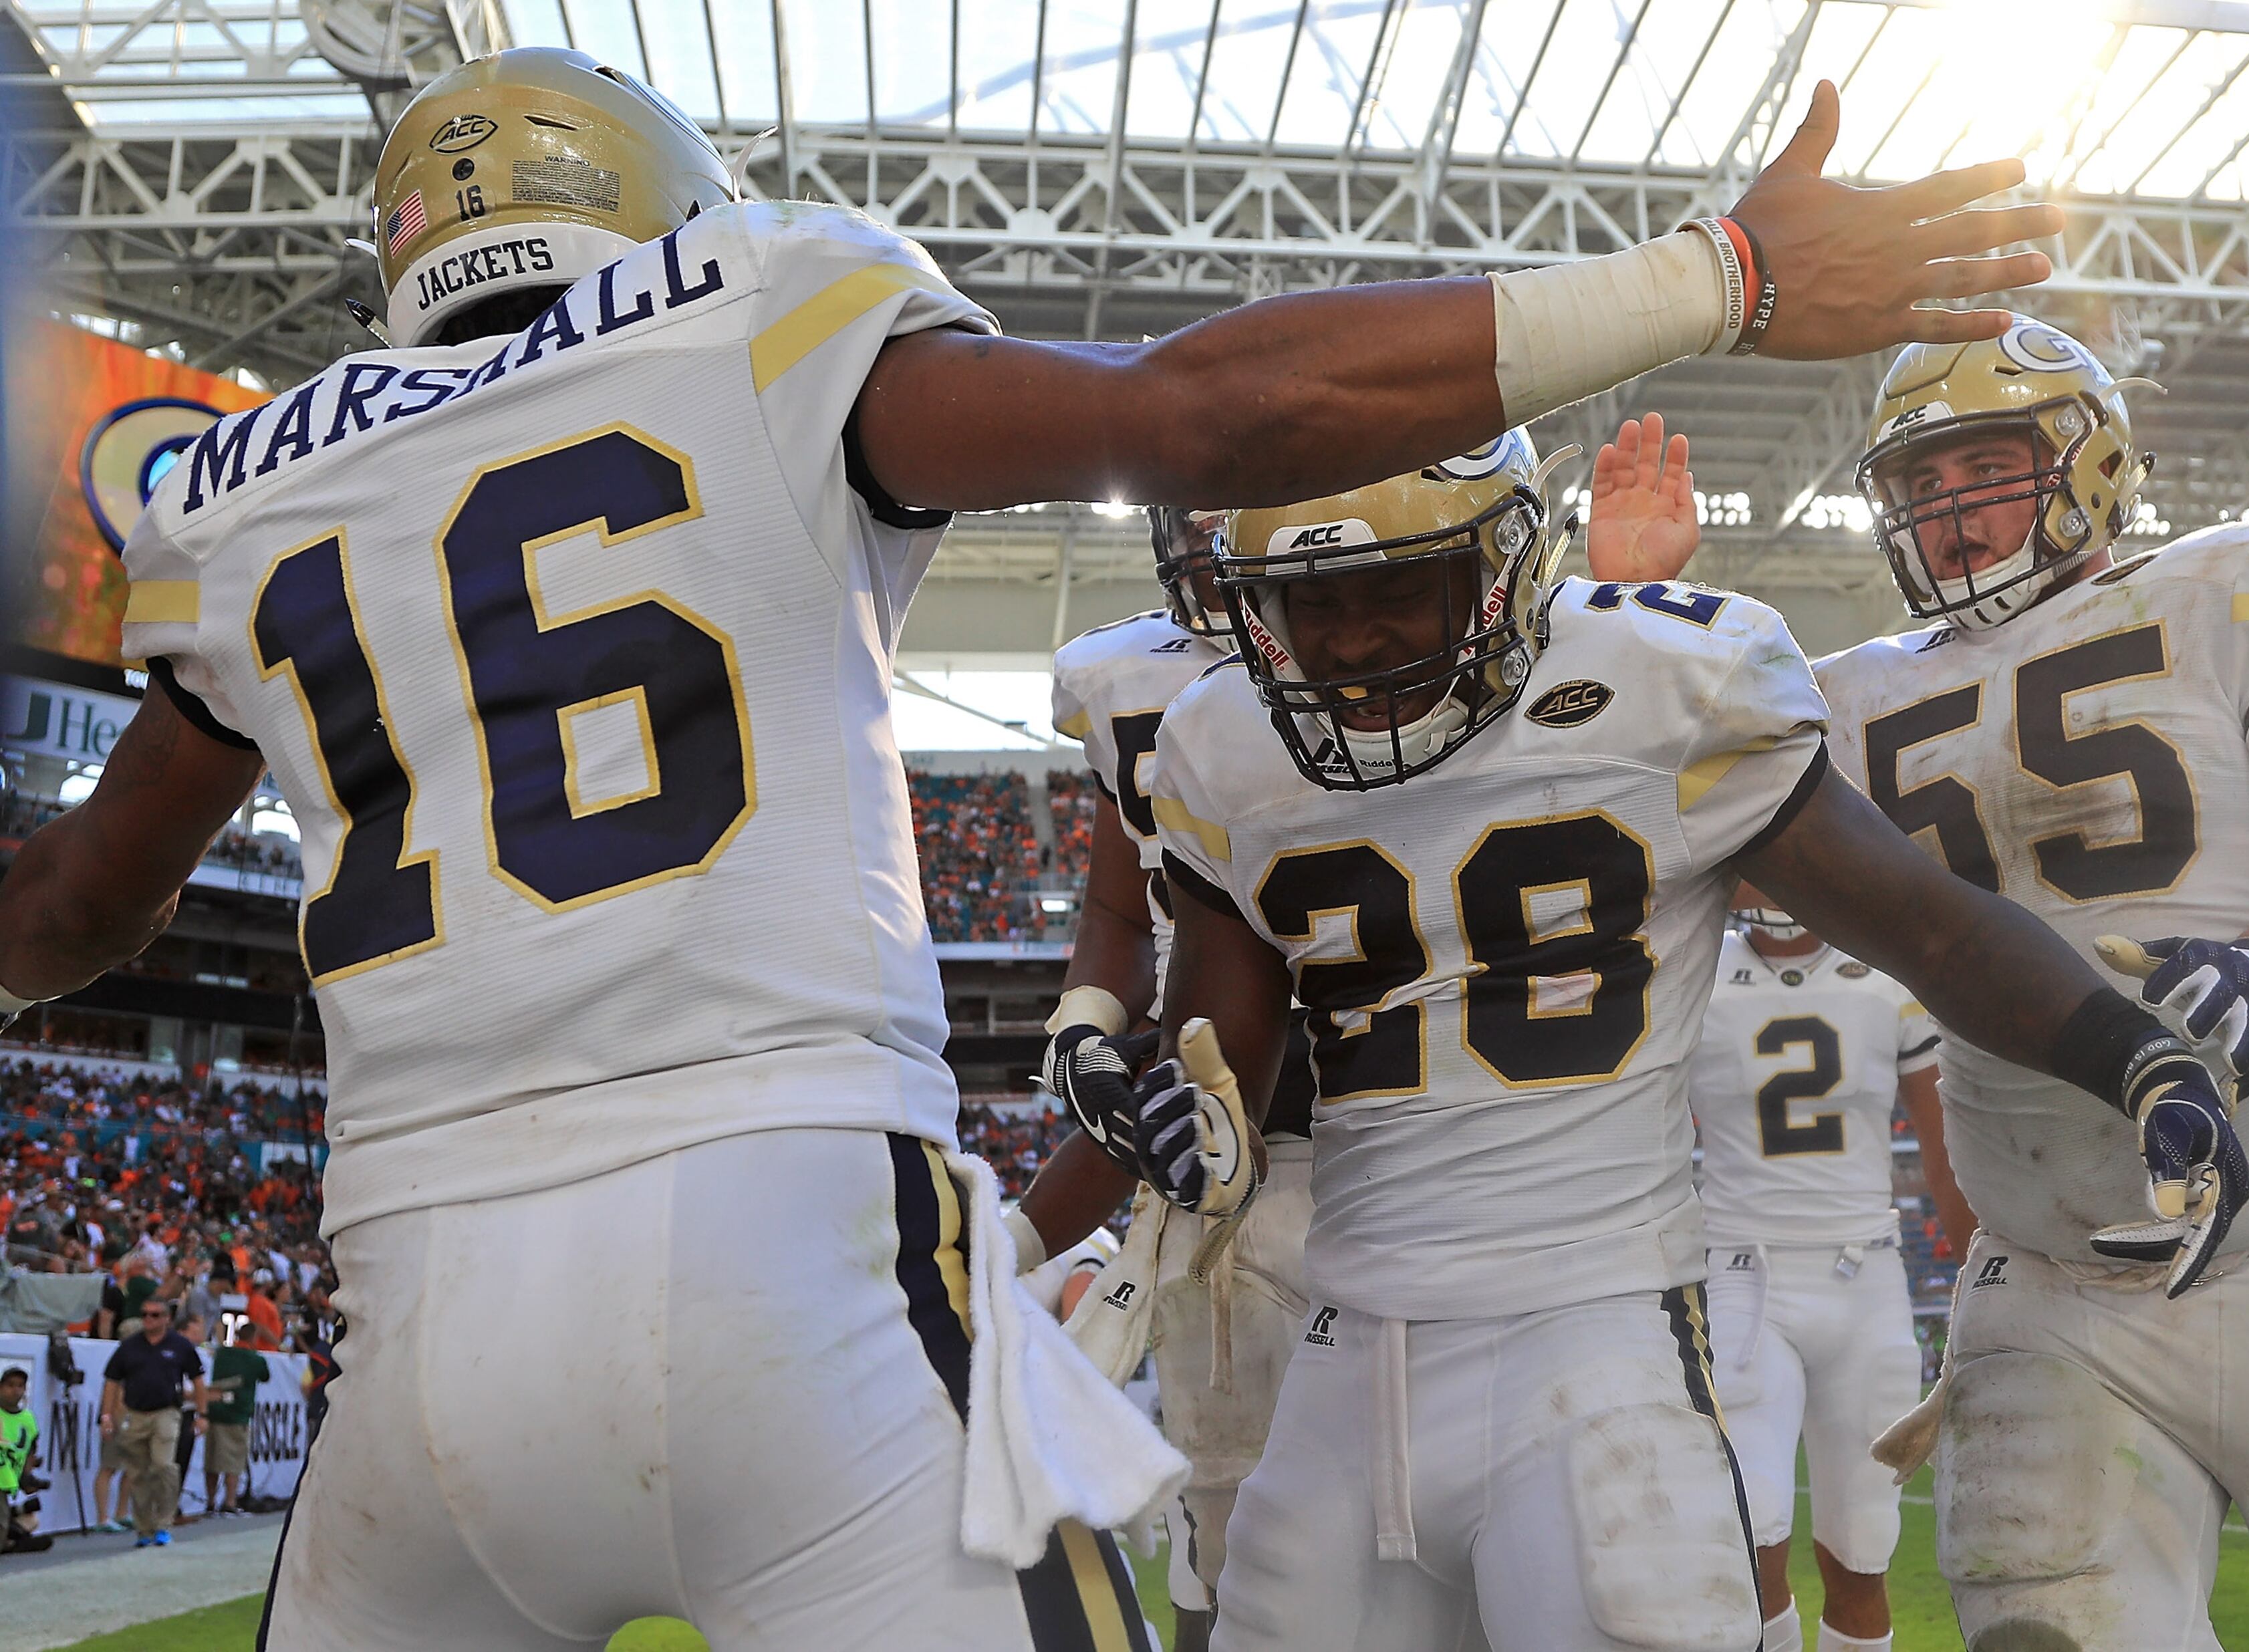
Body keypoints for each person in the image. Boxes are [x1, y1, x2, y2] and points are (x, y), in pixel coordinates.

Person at [0, 42, 2059, 1651]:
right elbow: (1194, 421)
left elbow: (79, 912)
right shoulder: (751, 306)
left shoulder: (236, 495)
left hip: (411, 1342)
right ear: (653, 204)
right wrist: (1720, 274)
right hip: (783, 1266)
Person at [1065, 424, 2246, 1652]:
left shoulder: (1663, 678)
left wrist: (2136, 1054)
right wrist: (1189, 1117)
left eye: (1394, 588)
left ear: (1507, 566)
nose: (1349, 638)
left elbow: (1930, 930)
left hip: (1594, 1342)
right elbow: (1221, 1042)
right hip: (1341, 1350)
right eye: (1308, 603)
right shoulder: (1225, 739)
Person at [1805, 317, 2249, 1645]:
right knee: (2043, 1626)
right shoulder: (1849, 697)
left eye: (1980, 467)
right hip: (2045, 1274)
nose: (1946, 512)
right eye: (1917, 486)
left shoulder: (2223, 593)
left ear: (2087, 463)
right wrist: (1641, 615)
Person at [1020, 504, 1318, 1651]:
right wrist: (1084, 1026)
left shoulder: (1365, 639)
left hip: (1368, 1120)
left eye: (1227, 503)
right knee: (1219, 1512)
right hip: (1210, 1140)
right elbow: (1113, 906)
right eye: (1181, 509)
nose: (1200, 536)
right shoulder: (1120, 677)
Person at [1690, 889, 1966, 1652]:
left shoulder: (1891, 980)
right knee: (1750, 1534)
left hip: (1866, 1281)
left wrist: (1987, 1291)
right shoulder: (1691, 974)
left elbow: (1949, 1157)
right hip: (1743, 1282)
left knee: (1863, 1551)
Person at [100, 1298, 206, 1547]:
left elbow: (198, 1380)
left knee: (164, 1466)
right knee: (138, 1473)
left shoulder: (180, 1346)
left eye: (156, 1315)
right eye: (145, 1314)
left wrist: (203, 1415)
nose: (149, 1319)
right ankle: (144, 1528)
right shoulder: (130, 1346)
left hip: (166, 1412)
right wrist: (106, 1416)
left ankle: (163, 1523)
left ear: (167, 1319)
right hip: (135, 1414)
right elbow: (112, 1381)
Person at [204, 1327, 267, 1516]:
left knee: (212, 1461)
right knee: (234, 1462)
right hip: (237, 1415)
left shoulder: (222, 1354)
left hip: (214, 1411)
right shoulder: (255, 1359)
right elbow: (265, 1376)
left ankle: (211, 1502)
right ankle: (230, 1502)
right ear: (254, 1336)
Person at [0, 1366, 50, 1553]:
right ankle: (12, 1543)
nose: (16, 1391)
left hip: (8, 1482)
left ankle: (10, 1541)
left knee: (31, 1519)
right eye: (10, 1385)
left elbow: (30, 1451)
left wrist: (28, 1477)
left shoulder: (28, 1419)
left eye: (21, 1386)